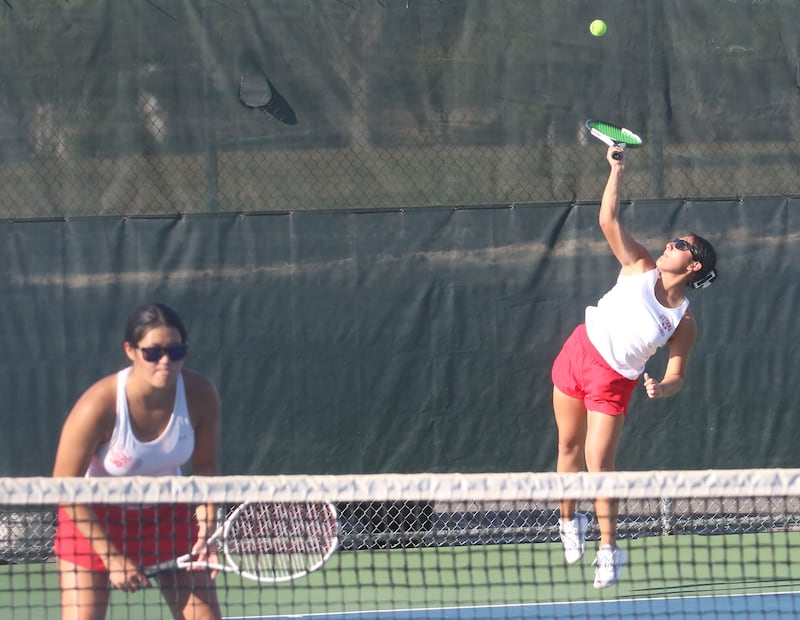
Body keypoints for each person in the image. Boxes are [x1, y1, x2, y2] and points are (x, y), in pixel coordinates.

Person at [551, 146, 717, 589]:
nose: (670, 244)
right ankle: (568, 522)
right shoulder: (639, 265)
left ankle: (609, 549)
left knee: (598, 465)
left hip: (613, 381)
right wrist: (616, 170)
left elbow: (678, 373)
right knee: (568, 449)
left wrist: (664, 387)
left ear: (693, 265)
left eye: (680, 245)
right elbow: (608, 221)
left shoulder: (683, 322)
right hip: (578, 352)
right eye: (672, 240)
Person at [52, 302, 222, 620]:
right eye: (153, 352)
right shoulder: (98, 406)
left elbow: (205, 469)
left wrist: (206, 530)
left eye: (176, 351)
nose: (166, 362)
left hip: (168, 516)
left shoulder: (201, 394)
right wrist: (112, 557)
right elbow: (64, 487)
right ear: (130, 350)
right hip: (94, 519)